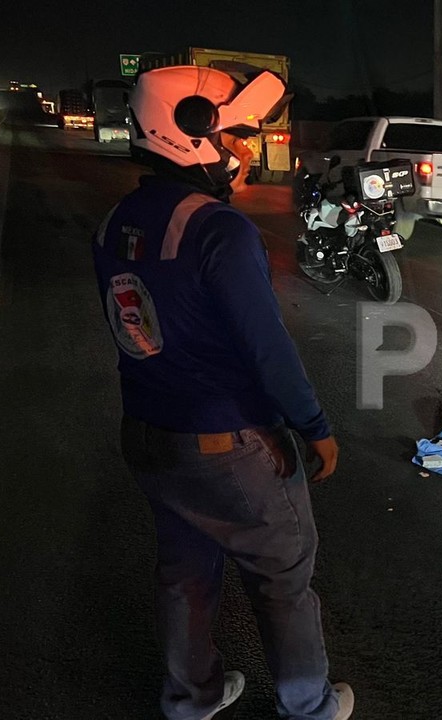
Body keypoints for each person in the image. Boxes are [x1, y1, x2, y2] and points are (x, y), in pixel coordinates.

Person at [92, 65, 353, 719]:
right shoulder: (218, 229)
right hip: (231, 444)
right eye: (236, 133)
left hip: (150, 435)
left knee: (184, 575)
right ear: (189, 133)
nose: (244, 149)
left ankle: (190, 697)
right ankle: (309, 705)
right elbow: (267, 348)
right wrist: (314, 426)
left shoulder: (114, 221)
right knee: (283, 577)